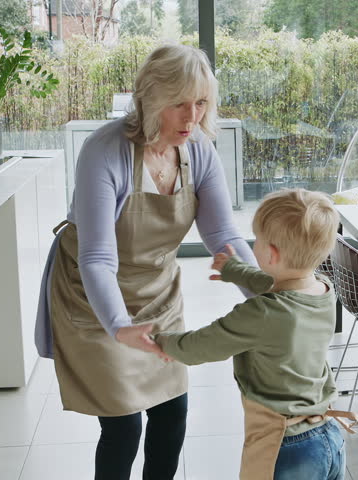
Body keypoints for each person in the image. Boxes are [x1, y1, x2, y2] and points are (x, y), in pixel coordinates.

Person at [33, 44, 256, 480]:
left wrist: (272, 294)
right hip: (92, 297)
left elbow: (224, 237)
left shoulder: (199, 152)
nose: (191, 117)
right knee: (123, 425)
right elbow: (97, 256)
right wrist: (119, 325)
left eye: (201, 103)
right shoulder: (105, 151)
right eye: (178, 104)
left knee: (173, 413)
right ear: (149, 99)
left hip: (158, 294)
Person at [150, 189, 354, 480]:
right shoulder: (322, 289)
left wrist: (161, 341)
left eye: (257, 240)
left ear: (271, 254)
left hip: (286, 446)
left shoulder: (262, 314)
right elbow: (281, 285)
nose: (254, 244)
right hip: (329, 436)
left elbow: (201, 346)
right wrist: (238, 271)